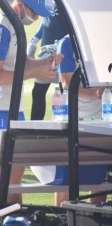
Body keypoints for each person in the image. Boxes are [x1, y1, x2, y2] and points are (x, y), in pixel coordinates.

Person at [0, 0, 59, 204]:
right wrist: (34, 72)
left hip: (12, 107)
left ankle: (15, 216)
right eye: (34, 12)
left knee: (15, 174)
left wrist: (43, 64)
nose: (35, 18)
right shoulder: (1, 28)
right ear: (20, 5)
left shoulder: (14, 26)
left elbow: (19, 63)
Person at [51, 34, 107, 206]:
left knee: (99, 180)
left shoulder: (104, 39)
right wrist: (100, 92)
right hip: (71, 117)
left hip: (100, 120)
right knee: (66, 180)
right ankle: (63, 218)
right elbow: (67, 82)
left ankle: (94, 218)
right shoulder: (67, 42)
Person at [27, 0, 70, 120]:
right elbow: (47, 19)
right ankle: (35, 130)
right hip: (46, 51)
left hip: (65, 52)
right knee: (38, 91)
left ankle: (66, 128)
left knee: (65, 92)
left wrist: (59, 44)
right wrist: (34, 40)